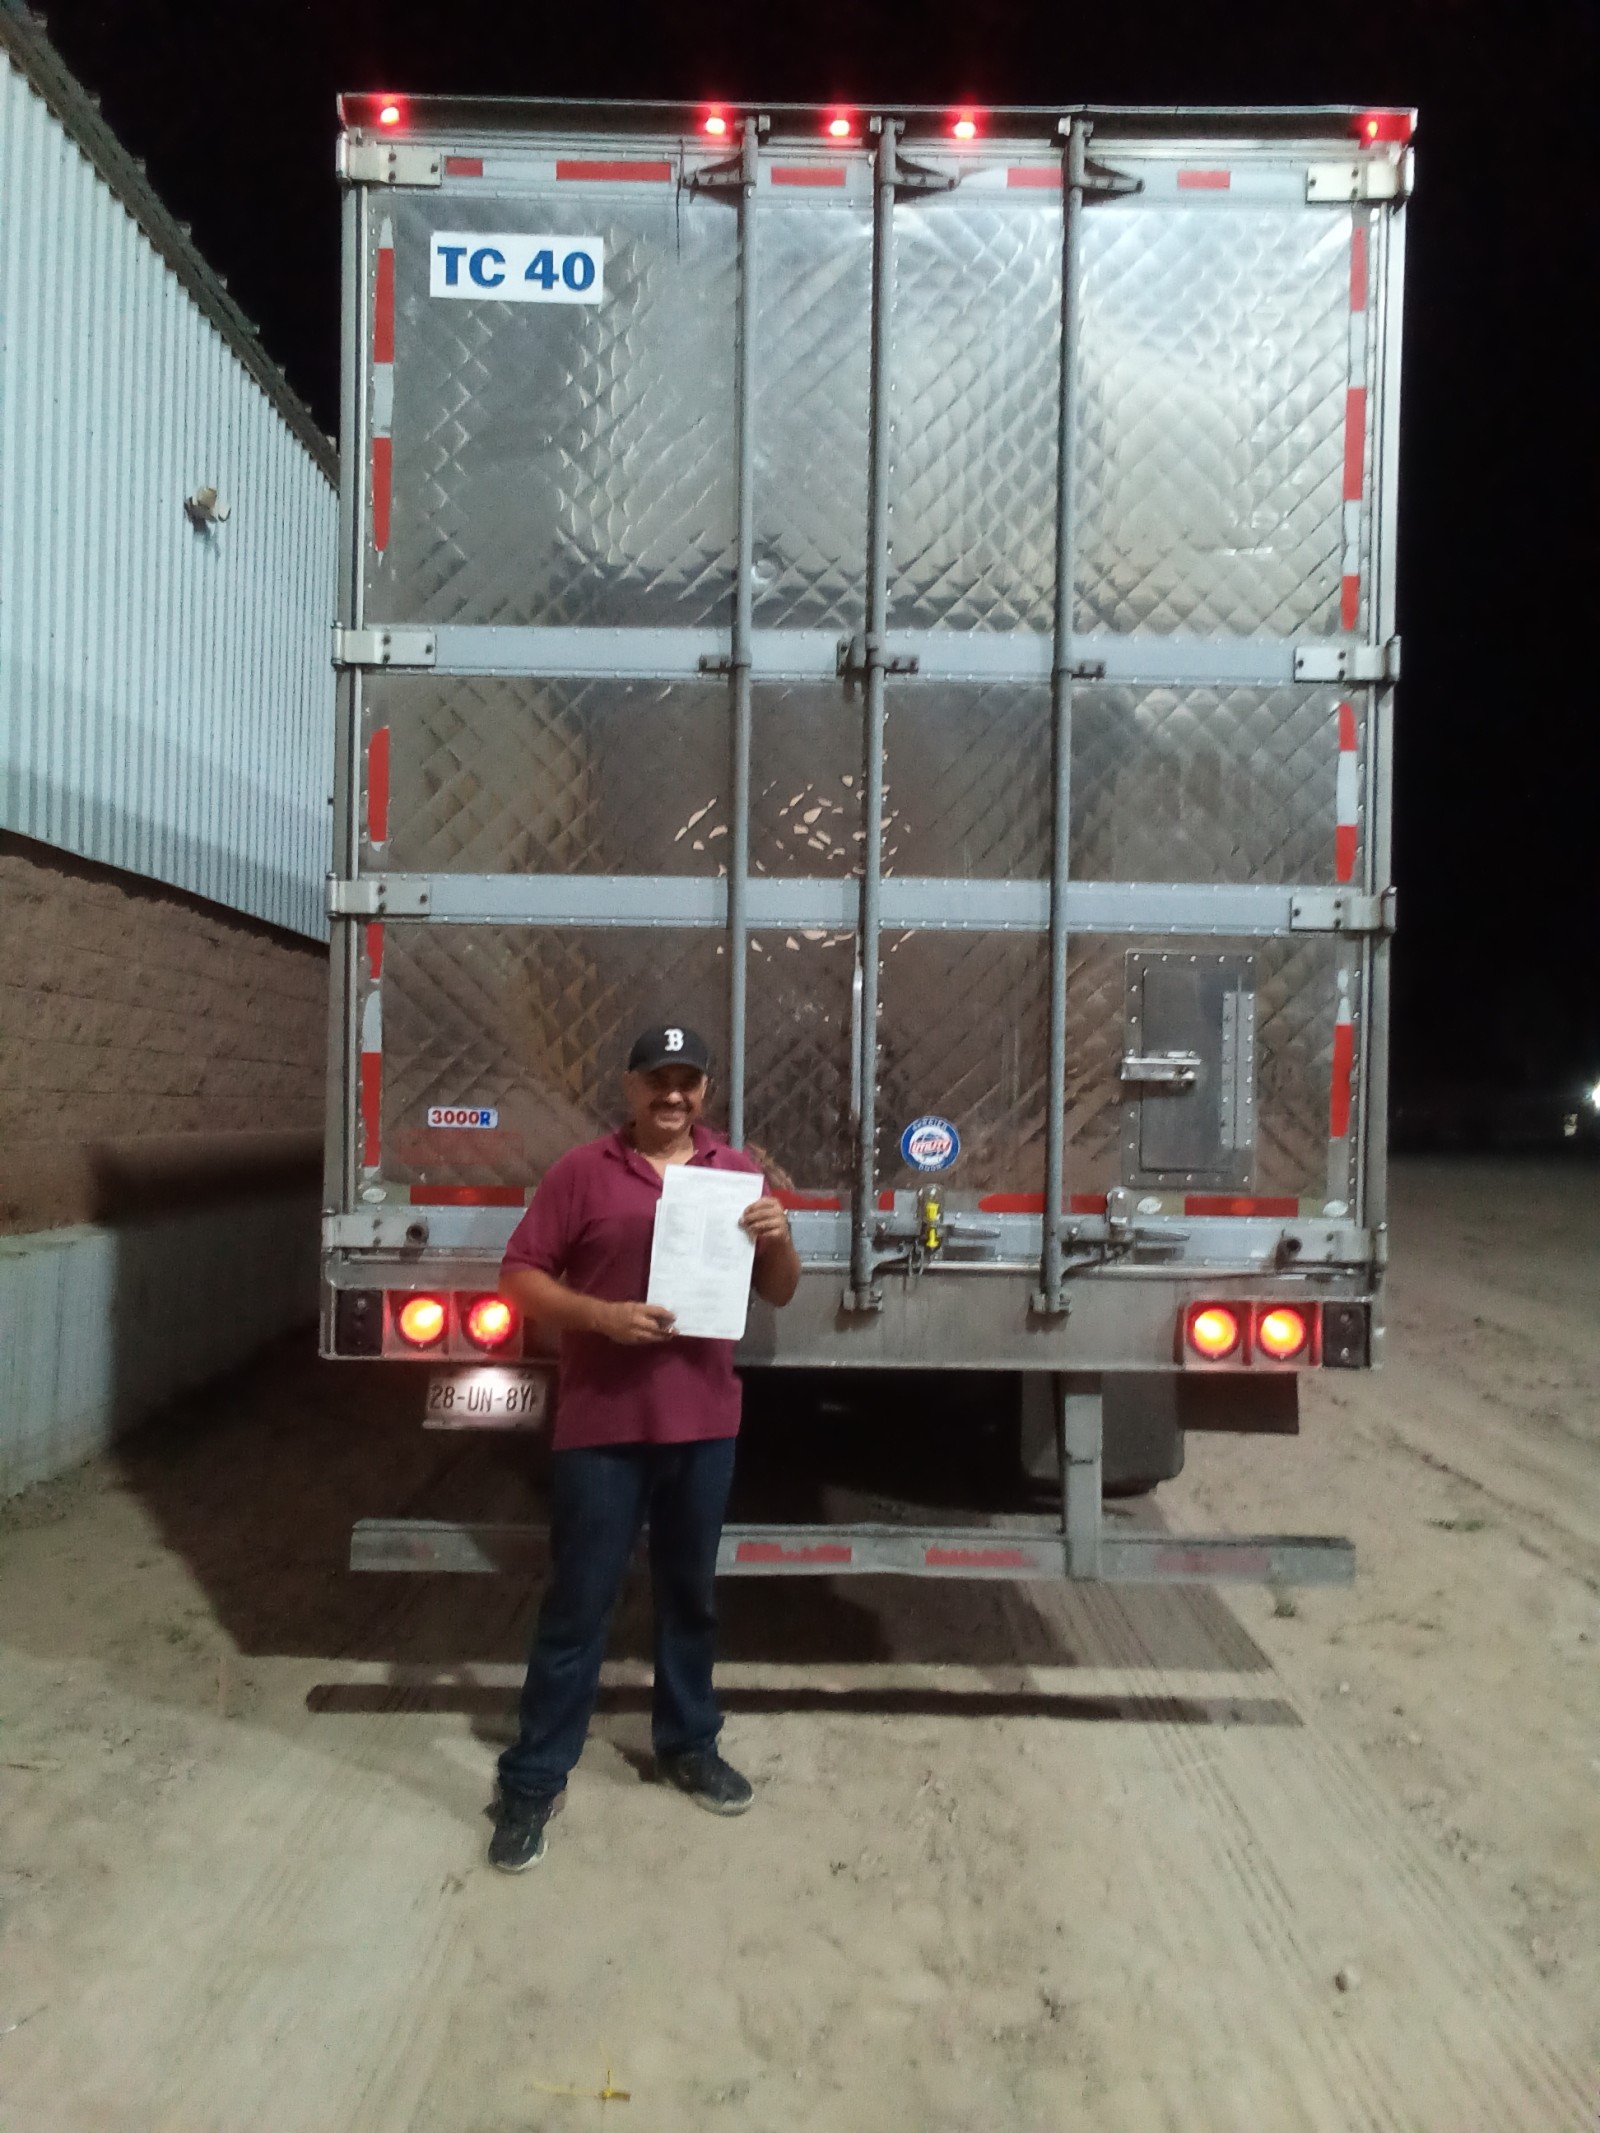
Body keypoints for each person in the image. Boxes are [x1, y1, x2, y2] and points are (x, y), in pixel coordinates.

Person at [488, 1023, 801, 1872]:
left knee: (690, 1598)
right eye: (657, 1078)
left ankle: (688, 1743)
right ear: (628, 1087)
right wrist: (601, 1316)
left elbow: (778, 1289)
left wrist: (777, 1234)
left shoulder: (735, 1173)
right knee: (578, 1606)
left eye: (688, 1080)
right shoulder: (581, 1172)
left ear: (705, 1091)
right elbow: (519, 1275)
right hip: (603, 1427)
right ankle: (534, 1777)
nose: (673, 1094)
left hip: (704, 1425)